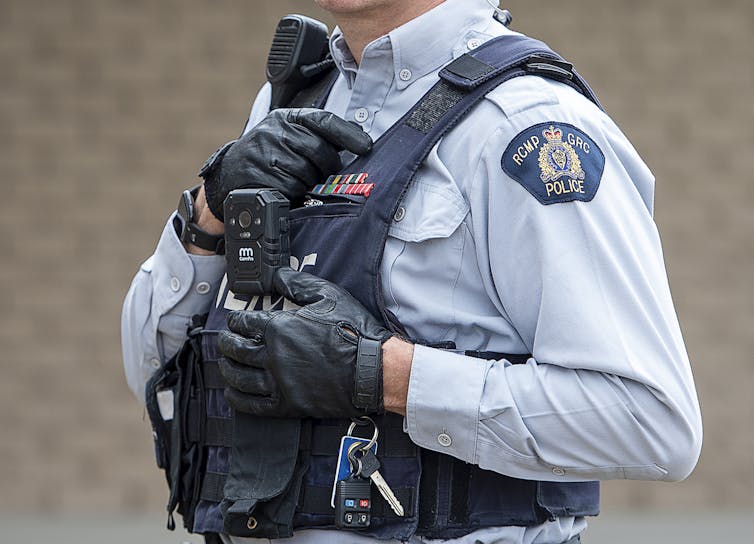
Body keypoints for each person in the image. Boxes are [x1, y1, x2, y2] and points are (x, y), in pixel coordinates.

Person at [122, 1, 703, 543]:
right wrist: (210, 210)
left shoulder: (526, 123)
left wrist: (385, 376)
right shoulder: (293, 99)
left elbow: (650, 421)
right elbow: (153, 368)